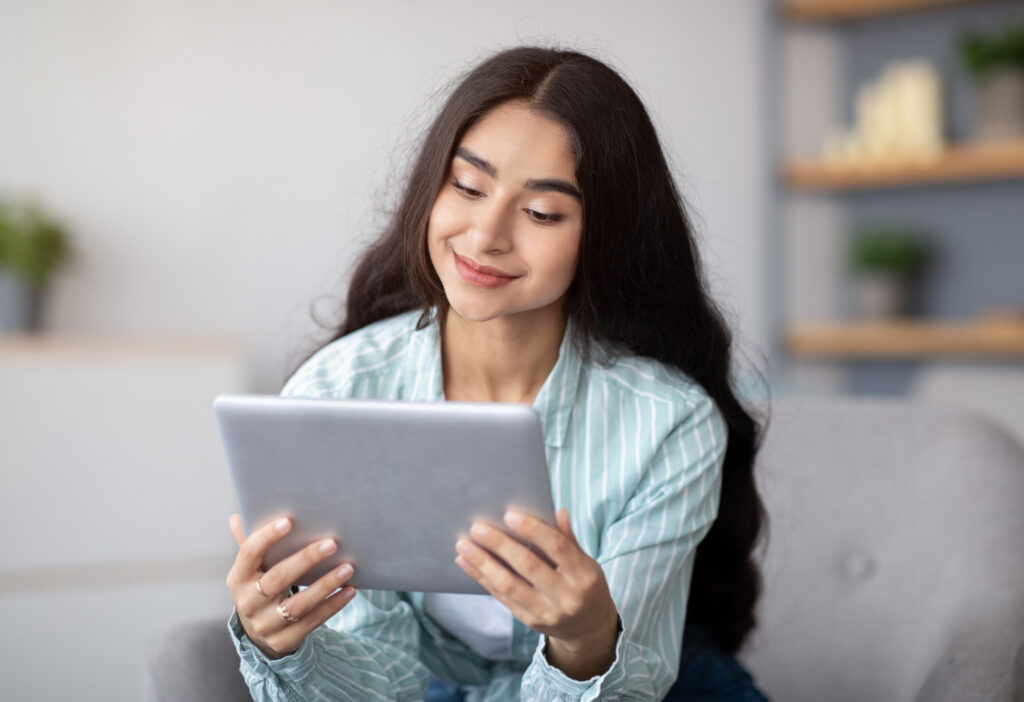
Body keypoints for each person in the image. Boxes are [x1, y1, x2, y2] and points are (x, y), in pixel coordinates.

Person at [225, 45, 768, 701]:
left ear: (606, 235)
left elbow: (634, 683)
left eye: (541, 212)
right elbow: (377, 678)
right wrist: (280, 646)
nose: (485, 236)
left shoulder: (669, 422)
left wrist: (587, 642)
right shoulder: (336, 390)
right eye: (468, 186)